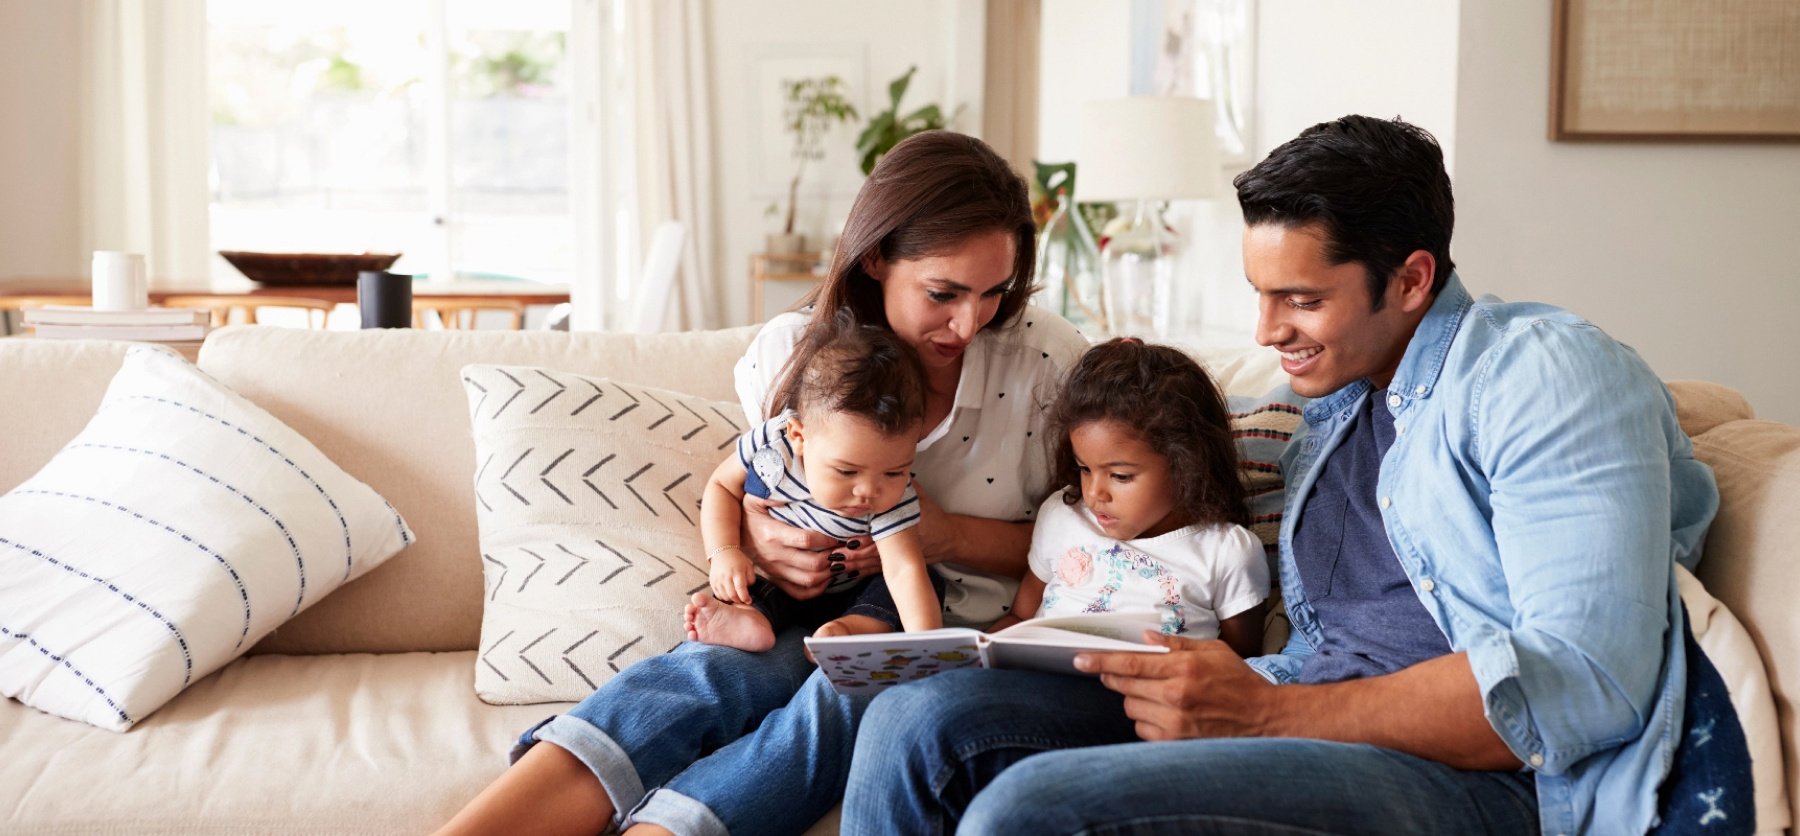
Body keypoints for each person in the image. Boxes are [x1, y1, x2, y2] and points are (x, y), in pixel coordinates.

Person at [843, 115, 1745, 835]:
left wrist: (1266, 717)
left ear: (1412, 279)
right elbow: (1178, 472)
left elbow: (1586, 679)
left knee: (1026, 812)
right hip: (1286, 702)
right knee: (914, 722)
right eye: (1260, 296)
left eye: (1302, 300)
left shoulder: (1543, 376)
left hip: (1477, 780)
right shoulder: (1329, 400)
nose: (1269, 330)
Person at [436, 131, 1089, 836]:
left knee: (847, 700)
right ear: (875, 257)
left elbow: (1100, 542)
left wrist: (948, 536)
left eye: (994, 292)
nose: (970, 323)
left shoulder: (1046, 363)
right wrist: (764, 545)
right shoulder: (793, 353)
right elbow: (755, 489)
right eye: (943, 292)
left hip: (951, 628)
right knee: (706, 674)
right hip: (799, 607)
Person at [989, 337, 1267, 659]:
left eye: (1120, 476)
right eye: (1084, 468)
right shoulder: (1062, 515)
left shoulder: (1226, 552)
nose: (1094, 494)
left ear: (1187, 465)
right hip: (1037, 681)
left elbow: (1240, 665)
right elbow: (1022, 617)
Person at [688, 319, 942, 652]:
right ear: (798, 436)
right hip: (778, 583)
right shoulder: (773, 446)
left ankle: (852, 628)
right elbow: (722, 485)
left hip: (852, 594)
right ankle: (750, 621)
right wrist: (724, 552)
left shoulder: (895, 498)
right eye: (846, 471)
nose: (869, 490)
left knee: (925, 580)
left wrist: (930, 651)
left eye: (894, 472)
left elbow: (903, 569)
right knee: (748, 584)